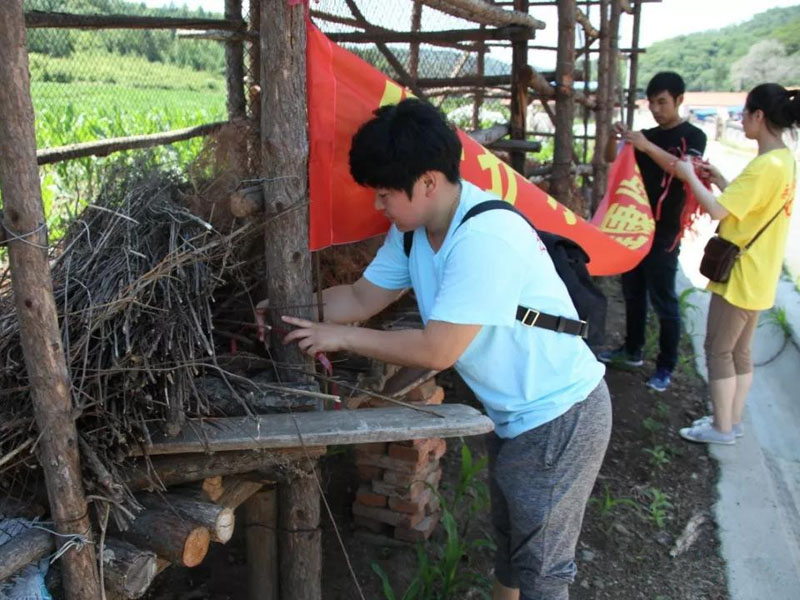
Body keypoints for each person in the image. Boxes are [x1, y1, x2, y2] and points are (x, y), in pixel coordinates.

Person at [259, 98, 611, 600]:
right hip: (518, 413)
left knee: (543, 573)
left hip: (560, 413)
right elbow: (360, 298)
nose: (378, 206)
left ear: (427, 182)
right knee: (513, 552)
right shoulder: (414, 233)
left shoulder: (483, 237)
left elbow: (438, 349)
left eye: (384, 195)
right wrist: (288, 309)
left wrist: (340, 338)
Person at [673, 83, 798, 445]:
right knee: (740, 351)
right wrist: (722, 181)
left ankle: (722, 428)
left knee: (718, 350)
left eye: (745, 113)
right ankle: (732, 419)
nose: (742, 119)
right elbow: (751, 207)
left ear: (759, 116)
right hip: (761, 274)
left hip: (740, 276)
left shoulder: (764, 166)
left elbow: (717, 210)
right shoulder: (783, 161)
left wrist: (689, 175)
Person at [600, 72, 707, 392]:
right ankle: (632, 350)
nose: (656, 109)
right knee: (632, 291)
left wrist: (645, 146)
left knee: (664, 300)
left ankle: (665, 366)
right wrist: (613, 137)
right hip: (634, 228)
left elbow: (684, 172)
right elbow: (609, 158)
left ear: (679, 100)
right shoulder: (643, 136)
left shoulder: (693, 136)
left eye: (663, 102)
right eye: (652, 103)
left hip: (666, 231)